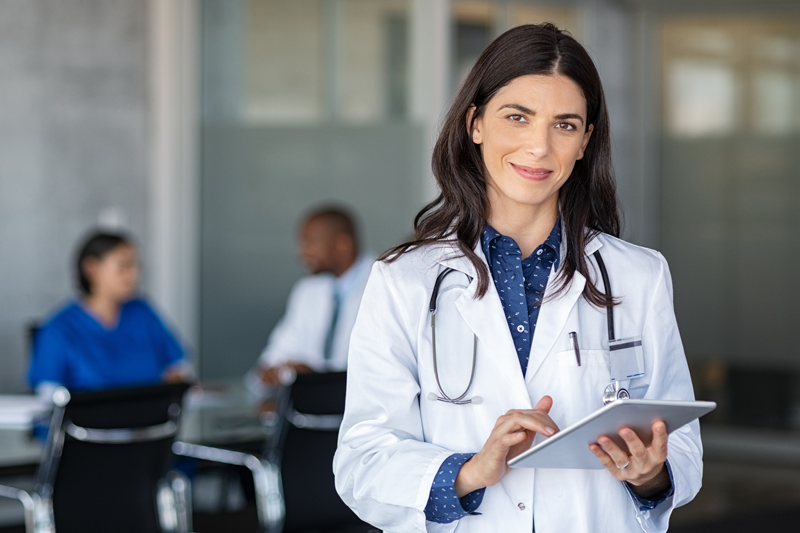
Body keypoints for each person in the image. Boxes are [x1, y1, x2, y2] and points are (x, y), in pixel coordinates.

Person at [333, 24, 701, 533]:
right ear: (475, 123)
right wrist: (468, 472)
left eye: (565, 125)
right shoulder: (405, 281)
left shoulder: (639, 276)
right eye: (517, 117)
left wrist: (650, 474)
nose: (539, 147)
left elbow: (681, 444)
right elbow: (362, 460)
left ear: (584, 142)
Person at [28, 231, 190, 395]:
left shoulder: (143, 314)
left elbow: (177, 369)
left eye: (136, 266)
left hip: (150, 419)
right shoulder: (58, 330)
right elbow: (48, 395)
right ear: (92, 268)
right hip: (86, 420)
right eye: (123, 266)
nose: (134, 275)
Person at [248, 206, 373, 388]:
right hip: (308, 410)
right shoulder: (307, 291)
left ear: (342, 245)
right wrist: (273, 371)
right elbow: (277, 353)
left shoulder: (385, 286)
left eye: (311, 243)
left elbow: (377, 370)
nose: (302, 253)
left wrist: (315, 376)